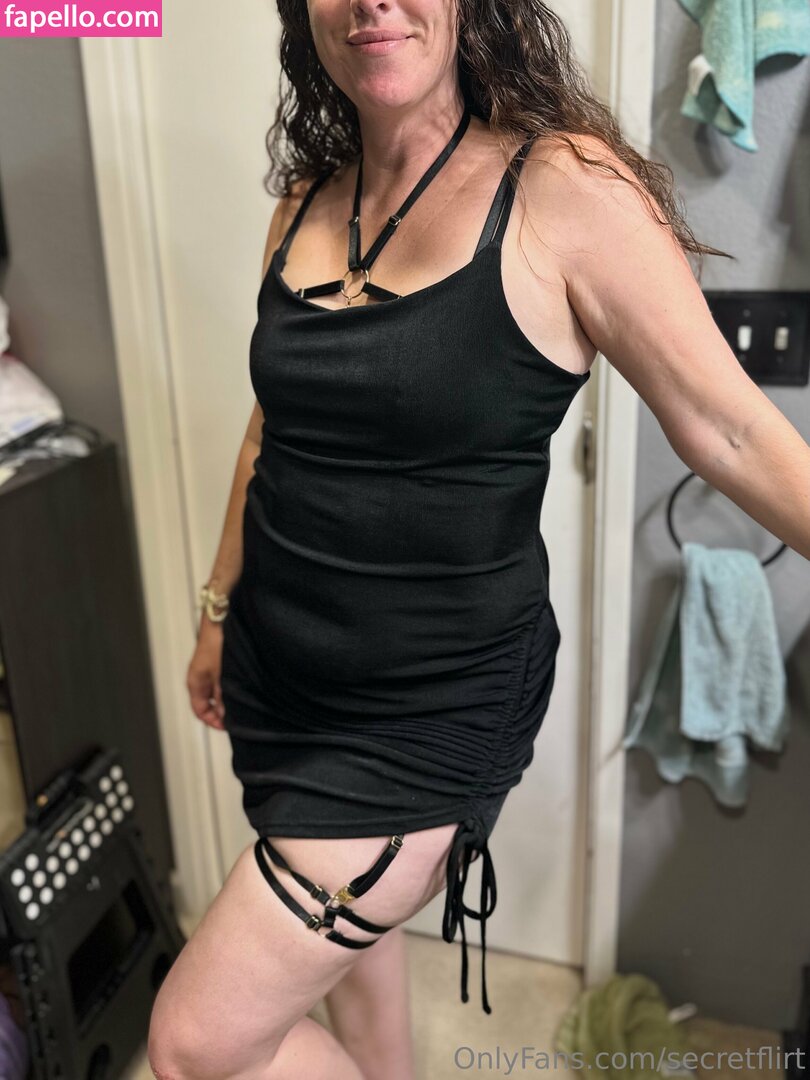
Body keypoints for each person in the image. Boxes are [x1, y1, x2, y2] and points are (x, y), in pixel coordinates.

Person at [148, 1, 810, 1077]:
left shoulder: (564, 190)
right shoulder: (305, 202)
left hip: (425, 717)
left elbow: (730, 430)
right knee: (357, 986)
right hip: (278, 676)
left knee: (195, 1046)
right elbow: (272, 430)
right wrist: (219, 611)